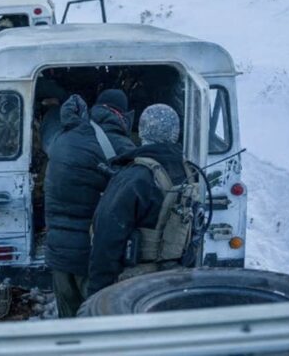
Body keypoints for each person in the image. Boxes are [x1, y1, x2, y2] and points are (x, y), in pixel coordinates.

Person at [41, 91, 135, 318]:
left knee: (70, 323)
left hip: (58, 252)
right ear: (122, 115)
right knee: (97, 322)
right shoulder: (121, 146)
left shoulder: (64, 137)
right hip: (92, 257)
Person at [87, 104, 196, 297]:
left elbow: (106, 238)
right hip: (175, 279)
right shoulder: (187, 170)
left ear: (143, 130)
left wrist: (97, 293)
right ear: (176, 133)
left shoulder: (136, 177)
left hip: (136, 284)